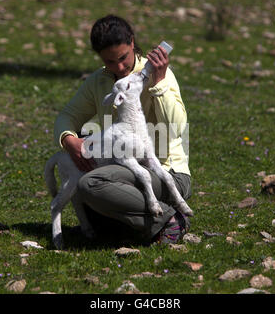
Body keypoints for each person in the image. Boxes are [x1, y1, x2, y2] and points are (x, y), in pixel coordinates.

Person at [53, 15, 191, 245]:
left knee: (90, 184)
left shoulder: (158, 73)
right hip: (122, 169)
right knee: (91, 189)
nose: (119, 67)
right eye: (109, 62)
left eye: (123, 58)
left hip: (168, 172)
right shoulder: (99, 81)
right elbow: (67, 116)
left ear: (132, 42)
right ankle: (132, 225)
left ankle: (170, 219)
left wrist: (158, 83)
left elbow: (176, 128)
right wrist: (69, 139)